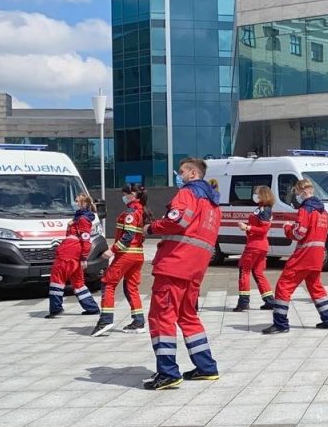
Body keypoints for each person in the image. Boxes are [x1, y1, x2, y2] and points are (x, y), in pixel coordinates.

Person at [143, 157, 221, 390]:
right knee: (188, 316)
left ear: (193, 174)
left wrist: (151, 227)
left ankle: (167, 372)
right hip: (195, 269)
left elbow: (178, 220)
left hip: (175, 264)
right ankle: (206, 367)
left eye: (181, 172)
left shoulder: (188, 193)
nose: (179, 176)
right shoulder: (213, 204)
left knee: (161, 316)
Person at [262, 178, 328, 334]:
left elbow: (299, 233)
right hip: (318, 255)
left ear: (303, 192)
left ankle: (280, 323)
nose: (296, 196)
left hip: (304, 254)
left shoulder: (305, 209)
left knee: (284, 285)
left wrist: (288, 228)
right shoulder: (323, 211)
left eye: (296, 192)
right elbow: (327, 229)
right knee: (315, 287)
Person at [91, 184, 152, 336]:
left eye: (125, 194)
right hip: (137, 254)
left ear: (132, 195)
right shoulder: (142, 211)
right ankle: (138, 322)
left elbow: (128, 236)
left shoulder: (131, 212)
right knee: (131, 287)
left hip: (126, 254)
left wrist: (112, 250)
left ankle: (105, 320)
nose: (123, 197)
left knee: (108, 283)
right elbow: (141, 235)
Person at [46, 193, 101, 319]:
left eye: (77, 201)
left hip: (69, 253)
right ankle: (91, 308)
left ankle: (56, 308)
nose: (74, 203)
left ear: (84, 204)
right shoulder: (80, 218)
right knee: (78, 282)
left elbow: (85, 239)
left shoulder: (82, 219)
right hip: (73, 252)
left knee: (57, 280)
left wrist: (84, 257)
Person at [234, 185, 275, 311]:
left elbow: (263, 229)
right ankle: (269, 300)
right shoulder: (262, 209)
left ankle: (243, 301)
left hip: (255, 245)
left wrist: (247, 228)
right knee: (258, 273)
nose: (255, 195)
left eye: (257, 193)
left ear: (263, 194)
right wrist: (248, 228)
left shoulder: (264, 210)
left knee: (244, 270)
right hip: (260, 245)